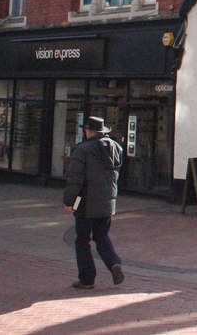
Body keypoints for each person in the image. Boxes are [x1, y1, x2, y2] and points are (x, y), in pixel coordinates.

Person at [63, 116, 125, 288]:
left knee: (82, 240)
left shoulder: (82, 150)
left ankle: (87, 279)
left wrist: (69, 202)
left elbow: (75, 179)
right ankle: (114, 263)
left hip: (85, 202)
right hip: (107, 201)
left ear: (88, 131)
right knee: (101, 236)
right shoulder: (116, 148)